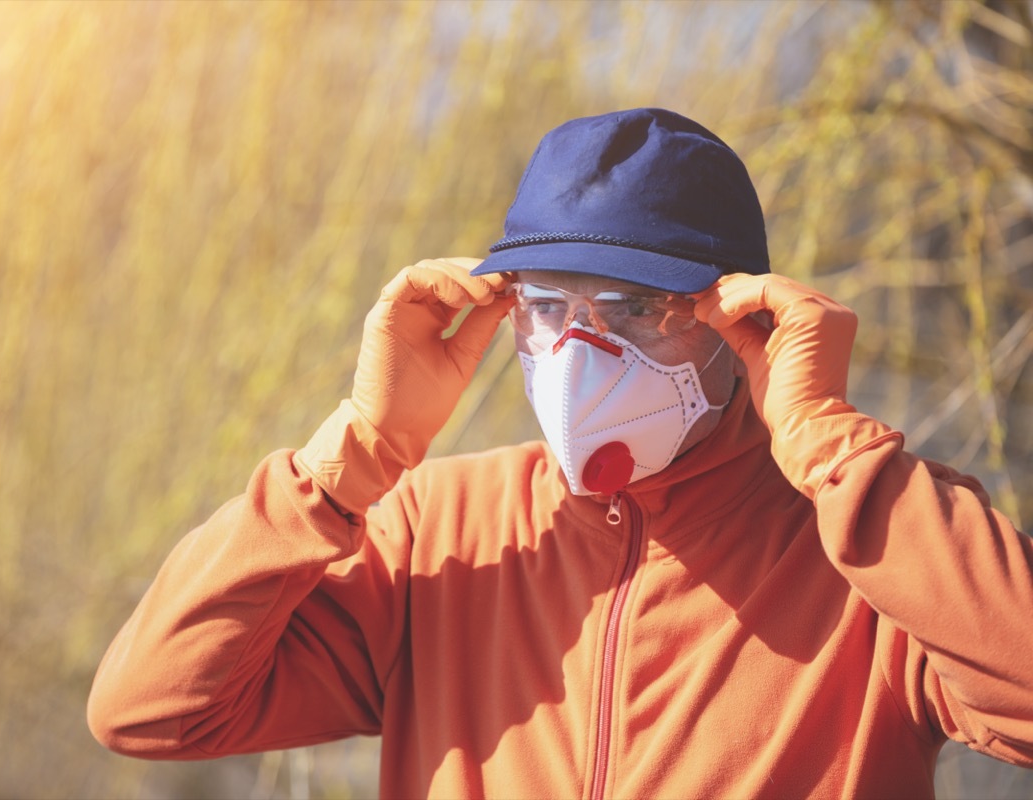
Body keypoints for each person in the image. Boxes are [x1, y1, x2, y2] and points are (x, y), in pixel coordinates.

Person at [87, 108, 1033, 798]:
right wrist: (350, 460)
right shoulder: (437, 529)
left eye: (636, 308)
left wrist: (830, 443)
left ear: (744, 318)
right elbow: (151, 707)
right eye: (545, 306)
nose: (582, 349)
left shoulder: (875, 539)